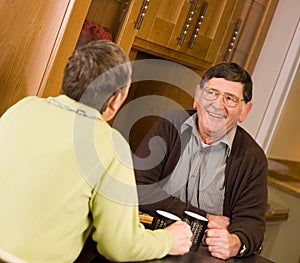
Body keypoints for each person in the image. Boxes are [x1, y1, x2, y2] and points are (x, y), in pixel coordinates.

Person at [0, 40, 192, 263]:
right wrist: (167, 239)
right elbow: (119, 246)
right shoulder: (109, 144)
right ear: (115, 100)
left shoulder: (24, 107)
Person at [134, 62, 268, 260]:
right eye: (211, 93)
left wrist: (235, 243)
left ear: (244, 111)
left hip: (203, 256)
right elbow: (137, 187)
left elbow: (253, 226)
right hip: (153, 242)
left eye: (229, 99)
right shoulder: (169, 125)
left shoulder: (253, 158)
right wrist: (202, 217)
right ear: (197, 97)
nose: (217, 104)